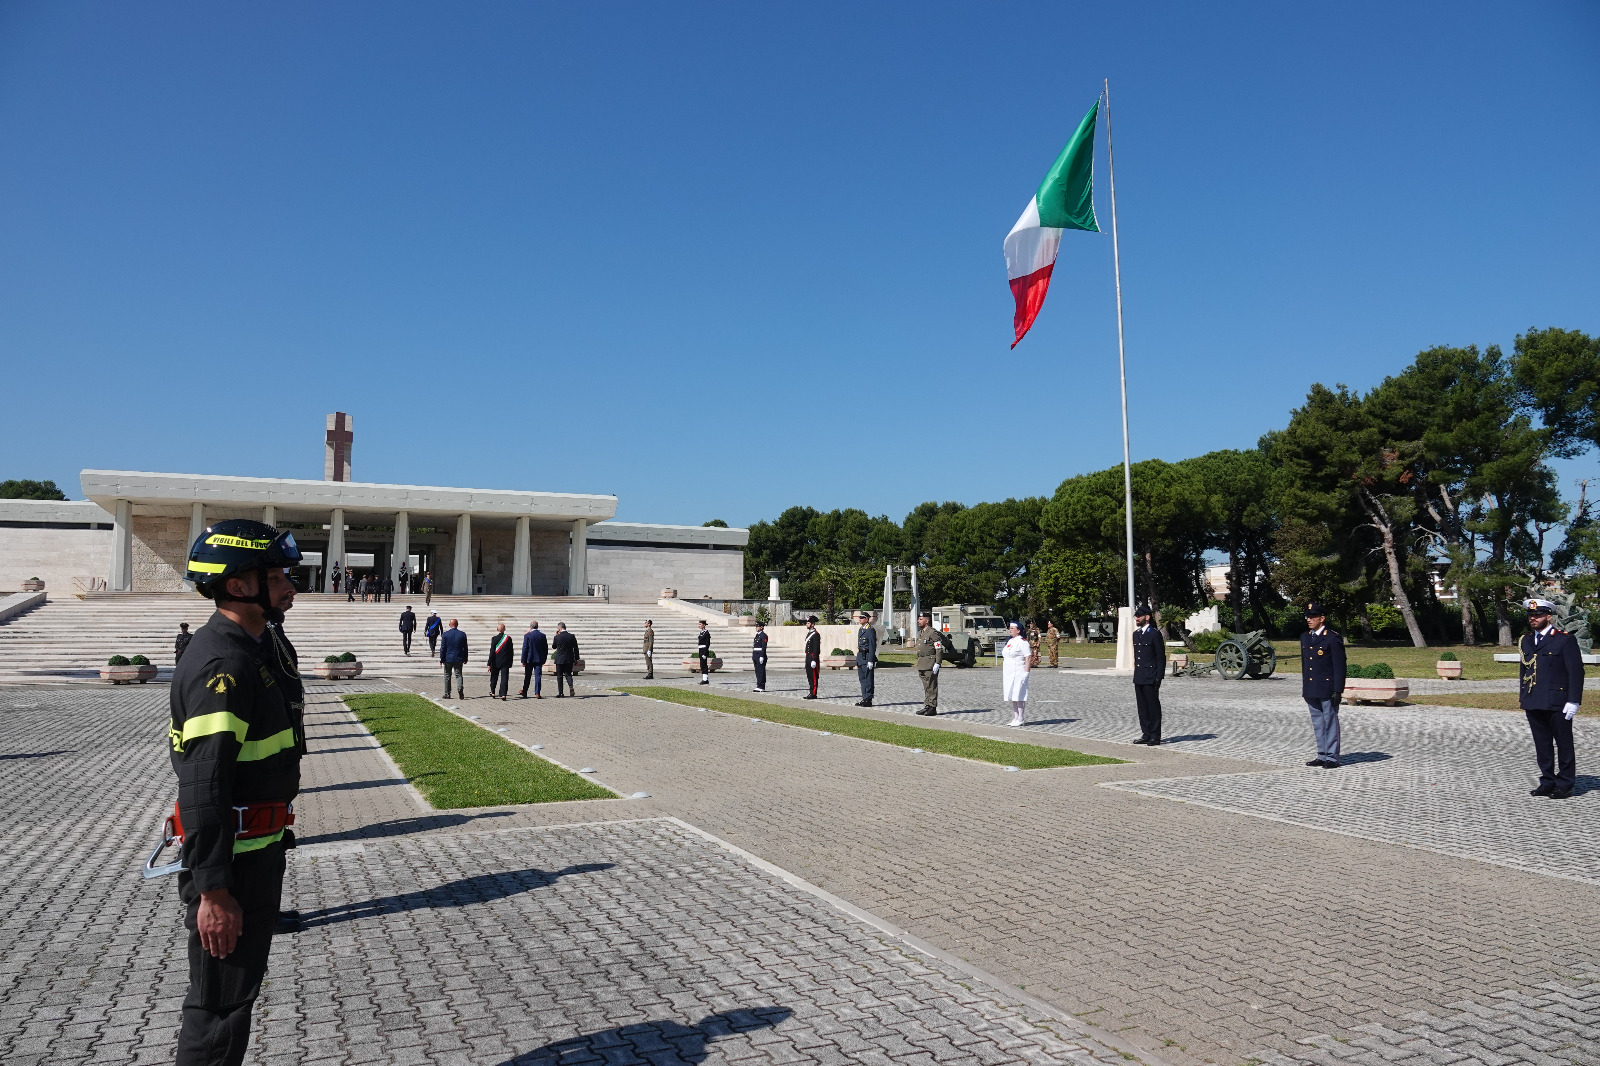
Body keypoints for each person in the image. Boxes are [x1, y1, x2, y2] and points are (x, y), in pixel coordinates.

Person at [168, 519, 306, 1066]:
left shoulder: (255, 647)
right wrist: (214, 892)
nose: (290, 587)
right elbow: (204, 784)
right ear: (238, 585)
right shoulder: (223, 665)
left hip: (257, 853)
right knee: (219, 1009)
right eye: (276, 577)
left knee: (234, 1001)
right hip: (233, 869)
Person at [1519, 597, 1583, 798]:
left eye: (1538, 615)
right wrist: (1524, 697)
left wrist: (1574, 700)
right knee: (1542, 745)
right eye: (1531, 615)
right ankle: (1547, 780)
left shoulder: (1564, 639)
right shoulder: (1527, 640)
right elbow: (1525, 671)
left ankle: (1565, 783)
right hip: (1534, 700)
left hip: (1558, 701)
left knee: (1564, 744)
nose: (1533, 619)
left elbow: (1576, 672)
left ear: (1549, 616)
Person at [1299, 602, 1346, 768]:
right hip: (1312, 688)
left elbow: (1339, 666)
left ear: (1322, 618)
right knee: (1318, 723)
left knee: (1330, 722)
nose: (1309, 619)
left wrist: (1337, 690)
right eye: (1307, 616)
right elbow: (1306, 666)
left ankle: (1332, 757)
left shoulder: (1332, 637)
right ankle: (1322, 754)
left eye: (1312, 617)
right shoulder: (1305, 637)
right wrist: (1305, 689)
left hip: (1327, 688)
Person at [1131, 605, 1166, 744]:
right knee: (1142, 707)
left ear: (1147, 617)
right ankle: (1146, 733)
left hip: (1151, 676)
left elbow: (1160, 657)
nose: (1137, 618)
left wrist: (1159, 676)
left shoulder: (1154, 633)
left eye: (1139, 616)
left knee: (1153, 707)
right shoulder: (1136, 634)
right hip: (1139, 675)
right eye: (1136, 616)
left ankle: (1155, 735)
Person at [1001, 621, 1031, 726]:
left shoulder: (1022, 642)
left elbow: (1028, 657)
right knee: (1012, 695)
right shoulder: (1010, 641)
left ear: (1018, 630)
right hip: (1009, 672)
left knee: (1019, 694)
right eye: (1010, 628)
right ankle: (1015, 717)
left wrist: (1026, 672)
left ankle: (1021, 718)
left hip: (1019, 671)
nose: (1010, 630)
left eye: (1012, 628)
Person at [913, 611, 940, 715]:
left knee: (931, 685)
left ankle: (932, 707)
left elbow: (938, 648)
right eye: (918, 619)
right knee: (926, 686)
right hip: (922, 662)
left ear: (927, 621)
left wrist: (938, 662)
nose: (918, 621)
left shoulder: (932, 632)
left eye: (920, 619)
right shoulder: (921, 633)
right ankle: (927, 705)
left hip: (930, 663)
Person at [440, 618, 468, 699]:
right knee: (459, 675)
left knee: (447, 675)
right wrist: (465, 658)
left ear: (450, 625)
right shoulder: (462, 634)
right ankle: (460, 689)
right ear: (457, 625)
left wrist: (442, 659)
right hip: (459, 658)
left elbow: (443, 648)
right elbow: (465, 648)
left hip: (448, 658)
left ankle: (447, 693)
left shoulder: (445, 634)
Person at [519, 621, 548, 698]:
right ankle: (537, 693)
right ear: (537, 627)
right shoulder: (542, 636)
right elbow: (545, 648)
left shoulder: (527, 636)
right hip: (539, 659)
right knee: (538, 676)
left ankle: (525, 691)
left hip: (529, 659)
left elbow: (525, 648)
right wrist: (544, 658)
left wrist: (523, 660)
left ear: (530, 627)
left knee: (527, 676)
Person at [855, 611, 877, 707]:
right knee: (862, 679)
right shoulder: (861, 629)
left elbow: (872, 646)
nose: (860, 619)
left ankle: (868, 699)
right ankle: (864, 698)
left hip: (867, 656)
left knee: (868, 679)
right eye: (860, 617)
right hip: (861, 656)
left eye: (862, 617)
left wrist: (870, 660)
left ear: (867, 619)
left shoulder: (870, 630)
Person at [552, 622, 579, 697]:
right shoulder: (571, 636)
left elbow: (554, 646)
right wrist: (576, 658)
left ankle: (561, 693)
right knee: (568, 674)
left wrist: (556, 635)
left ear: (559, 629)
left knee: (559, 676)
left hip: (560, 659)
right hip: (569, 659)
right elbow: (576, 648)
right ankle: (571, 686)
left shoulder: (557, 637)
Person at [487, 622, 514, 700]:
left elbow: (492, 652)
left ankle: (493, 692)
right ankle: (503, 694)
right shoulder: (508, 638)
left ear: (497, 629)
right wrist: (510, 662)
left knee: (494, 677)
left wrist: (489, 663)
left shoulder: (494, 638)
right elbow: (511, 652)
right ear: (504, 629)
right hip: (505, 662)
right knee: (504, 678)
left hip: (495, 662)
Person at [802, 616, 821, 700]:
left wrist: (814, 659)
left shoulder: (816, 634)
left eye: (808, 623)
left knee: (813, 676)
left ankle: (813, 693)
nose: (807, 624)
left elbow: (816, 648)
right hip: (808, 656)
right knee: (809, 675)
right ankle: (811, 692)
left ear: (813, 624)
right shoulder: (810, 633)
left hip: (813, 657)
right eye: (806, 623)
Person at [751, 621, 769, 692]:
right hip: (756, 654)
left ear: (762, 627)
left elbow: (764, 646)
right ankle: (758, 685)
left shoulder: (763, 635)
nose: (756, 628)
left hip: (760, 654)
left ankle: (761, 686)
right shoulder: (757, 635)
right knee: (757, 671)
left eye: (758, 626)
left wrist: (762, 656)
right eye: (756, 626)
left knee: (761, 671)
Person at [696, 620, 712, 685]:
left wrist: (705, 653)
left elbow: (707, 643)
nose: (699, 625)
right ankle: (704, 678)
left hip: (704, 649)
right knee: (702, 664)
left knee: (704, 665)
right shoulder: (701, 632)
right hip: (700, 649)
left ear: (704, 625)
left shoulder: (706, 633)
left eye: (700, 624)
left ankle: (705, 679)